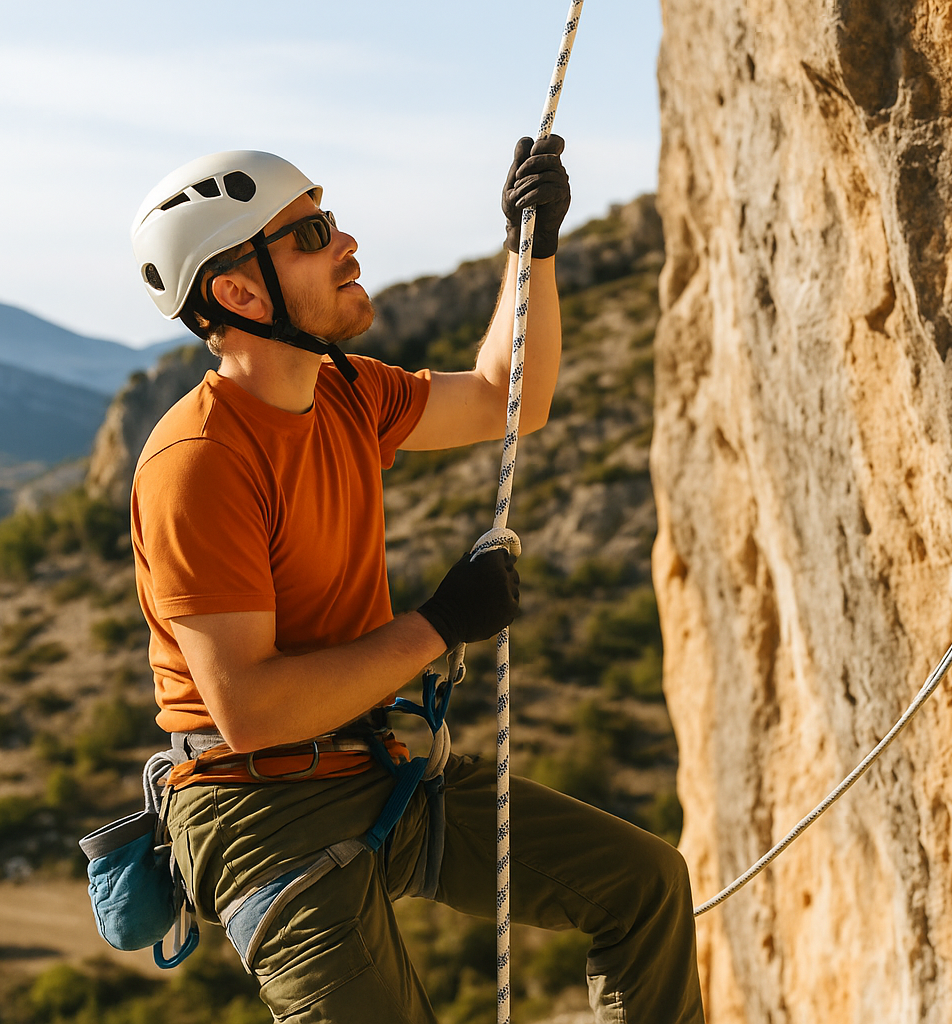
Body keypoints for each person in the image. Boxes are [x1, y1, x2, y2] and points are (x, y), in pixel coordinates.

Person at [127, 140, 705, 1023]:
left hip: (372, 765)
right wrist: (439, 624)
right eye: (311, 232)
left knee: (643, 885)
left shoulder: (346, 394)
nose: (346, 240)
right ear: (239, 294)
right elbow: (250, 710)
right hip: (258, 815)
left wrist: (532, 248)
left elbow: (509, 395)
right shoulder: (199, 461)